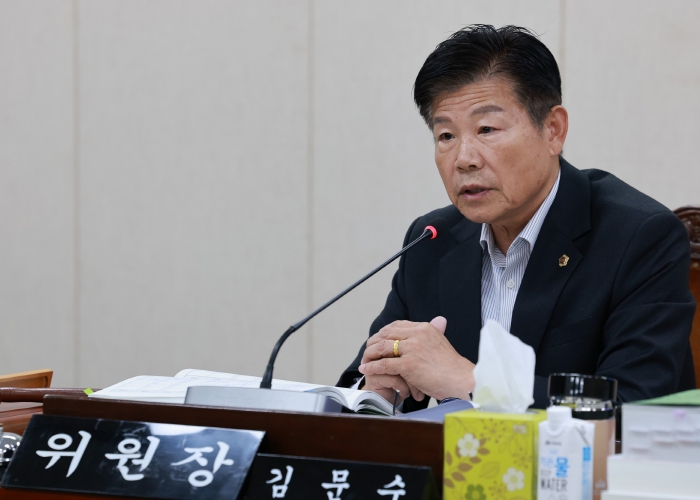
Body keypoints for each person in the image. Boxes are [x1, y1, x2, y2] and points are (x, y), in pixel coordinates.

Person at [337, 24, 696, 411]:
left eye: (487, 129)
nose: (464, 159)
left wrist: (471, 381)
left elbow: (632, 405)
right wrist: (376, 391)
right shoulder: (432, 239)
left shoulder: (638, 236)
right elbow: (360, 384)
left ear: (553, 130)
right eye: (446, 136)